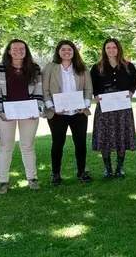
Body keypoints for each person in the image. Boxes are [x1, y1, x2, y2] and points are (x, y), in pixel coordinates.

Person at [0, 39, 43, 194]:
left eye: (22, 48)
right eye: (14, 48)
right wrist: (0, 111)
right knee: (6, 147)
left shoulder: (34, 68)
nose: (18, 51)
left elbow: (38, 91)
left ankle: (32, 179)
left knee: (27, 146)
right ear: (8, 51)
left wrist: (37, 109)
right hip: (5, 114)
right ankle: (2, 181)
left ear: (26, 51)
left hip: (29, 113)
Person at [43, 41, 94, 185]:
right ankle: (56, 174)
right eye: (63, 49)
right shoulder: (49, 68)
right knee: (58, 143)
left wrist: (85, 105)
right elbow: (45, 91)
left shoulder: (82, 68)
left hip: (78, 112)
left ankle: (82, 171)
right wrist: (52, 107)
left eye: (69, 49)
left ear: (74, 51)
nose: (66, 52)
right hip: (57, 113)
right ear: (58, 51)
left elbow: (88, 90)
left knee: (80, 143)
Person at [90, 38, 136, 179]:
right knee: (105, 135)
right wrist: (96, 95)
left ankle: (119, 167)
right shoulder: (96, 67)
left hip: (122, 107)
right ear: (104, 50)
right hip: (105, 106)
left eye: (114, 47)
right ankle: (107, 168)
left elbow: (134, 83)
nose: (111, 50)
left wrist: (131, 91)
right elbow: (93, 85)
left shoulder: (129, 66)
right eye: (108, 48)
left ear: (119, 49)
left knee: (121, 135)